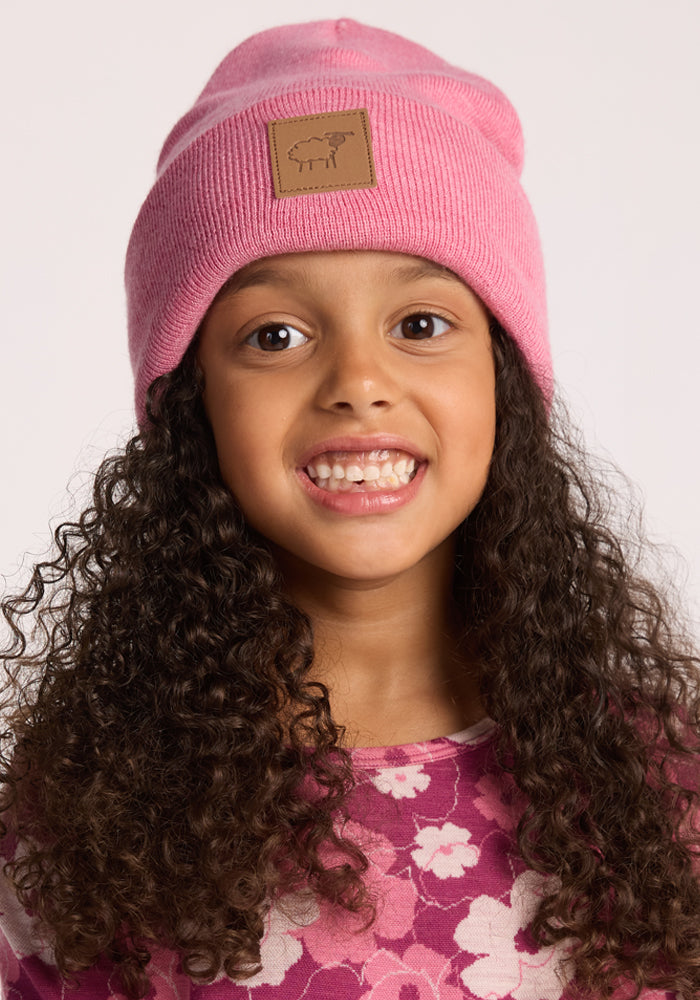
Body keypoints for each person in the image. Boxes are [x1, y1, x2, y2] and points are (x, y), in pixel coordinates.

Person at [0, 17, 698, 1000]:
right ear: (192, 402)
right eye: (275, 334)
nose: (357, 381)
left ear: (502, 378)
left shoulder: (658, 792)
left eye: (420, 323)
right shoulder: (90, 822)